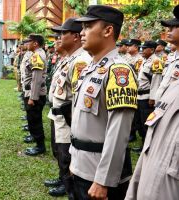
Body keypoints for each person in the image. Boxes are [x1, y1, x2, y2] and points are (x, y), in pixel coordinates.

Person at [70, 5, 137, 199]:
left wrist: (103, 180)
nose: (81, 33)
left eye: (88, 26)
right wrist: (74, 161)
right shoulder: (90, 68)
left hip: (99, 175)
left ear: (108, 30)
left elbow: (119, 131)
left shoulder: (118, 71)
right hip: (82, 166)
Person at [125, 7, 179, 199]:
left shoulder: (159, 60)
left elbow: (157, 81)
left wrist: (154, 97)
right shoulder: (172, 58)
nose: (169, 30)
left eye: (175, 26)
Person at [46, 18, 92, 198]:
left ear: (74, 36)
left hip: (67, 117)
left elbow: (79, 97)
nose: (59, 37)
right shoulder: (70, 58)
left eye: (63, 33)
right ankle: (63, 179)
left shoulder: (80, 60)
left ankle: (69, 187)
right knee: (59, 153)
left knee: (66, 156)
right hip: (58, 114)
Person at [132, 41, 163, 153]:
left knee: (146, 122)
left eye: (145, 48)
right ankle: (143, 145)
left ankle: (148, 147)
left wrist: (153, 98)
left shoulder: (156, 61)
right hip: (139, 96)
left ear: (152, 50)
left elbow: (156, 81)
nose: (142, 50)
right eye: (142, 48)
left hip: (147, 98)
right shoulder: (144, 61)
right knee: (139, 122)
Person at [23, 34, 47, 156]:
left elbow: (37, 78)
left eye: (29, 41)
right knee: (33, 119)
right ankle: (37, 142)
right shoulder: (36, 54)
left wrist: (32, 97)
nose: (27, 43)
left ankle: (40, 146)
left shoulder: (37, 55)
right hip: (33, 93)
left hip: (35, 94)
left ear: (35, 43)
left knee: (35, 120)